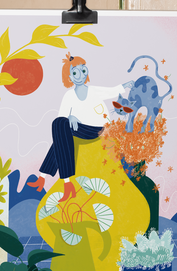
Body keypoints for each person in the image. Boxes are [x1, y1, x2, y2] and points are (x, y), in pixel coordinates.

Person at [27, 52, 134, 201]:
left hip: (98, 129)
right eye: (75, 73)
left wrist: (124, 86)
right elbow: (61, 120)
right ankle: (44, 178)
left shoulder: (93, 91)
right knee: (58, 127)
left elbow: (110, 91)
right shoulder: (69, 96)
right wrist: (70, 117)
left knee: (60, 128)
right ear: (70, 78)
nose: (80, 75)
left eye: (83, 70)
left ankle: (64, 183)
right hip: (80, 129)